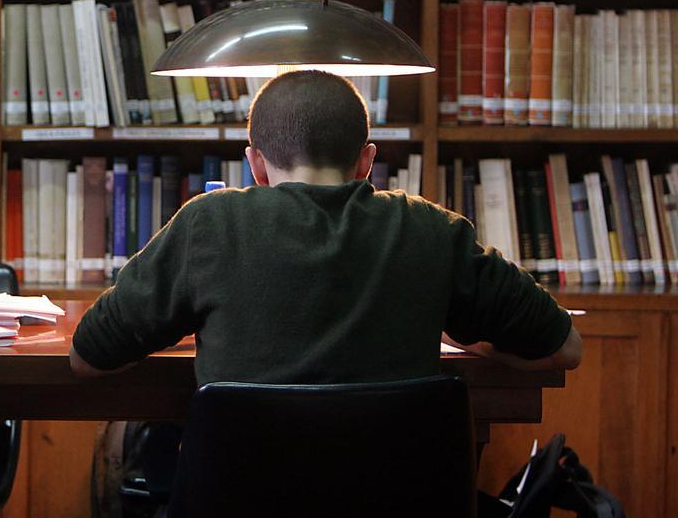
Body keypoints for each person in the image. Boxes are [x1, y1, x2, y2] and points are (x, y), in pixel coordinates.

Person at [70, 69, 582, 386]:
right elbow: (565, 348)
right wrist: (471, 337)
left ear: (256, 164)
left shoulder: (209, 224)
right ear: (367, 162)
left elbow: (88, 359)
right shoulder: (430, 230)